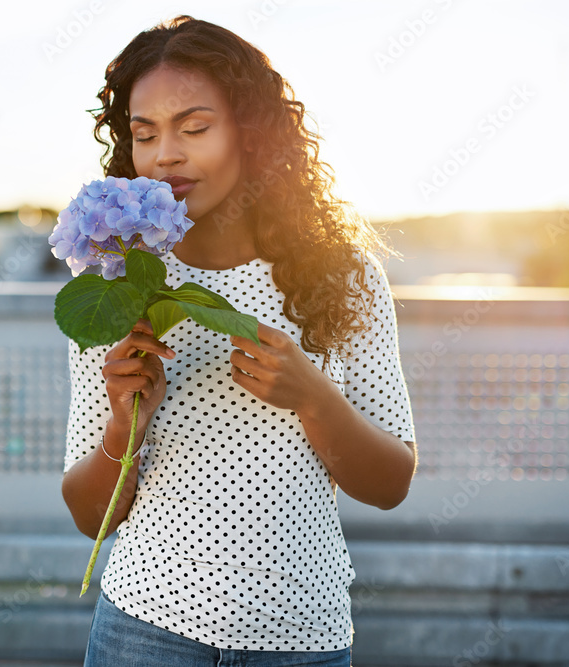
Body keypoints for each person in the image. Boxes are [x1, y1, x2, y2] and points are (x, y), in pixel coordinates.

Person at [60, 15, 417, 667]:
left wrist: (314, 397)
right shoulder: (120, 279)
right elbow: (91, 517)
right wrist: (122, 425)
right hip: (144, 631)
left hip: (300, 639)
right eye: (145, 134)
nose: (167, 154)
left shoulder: (344, 274)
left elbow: (392, 481)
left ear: (252, 132)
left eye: (194, 127)